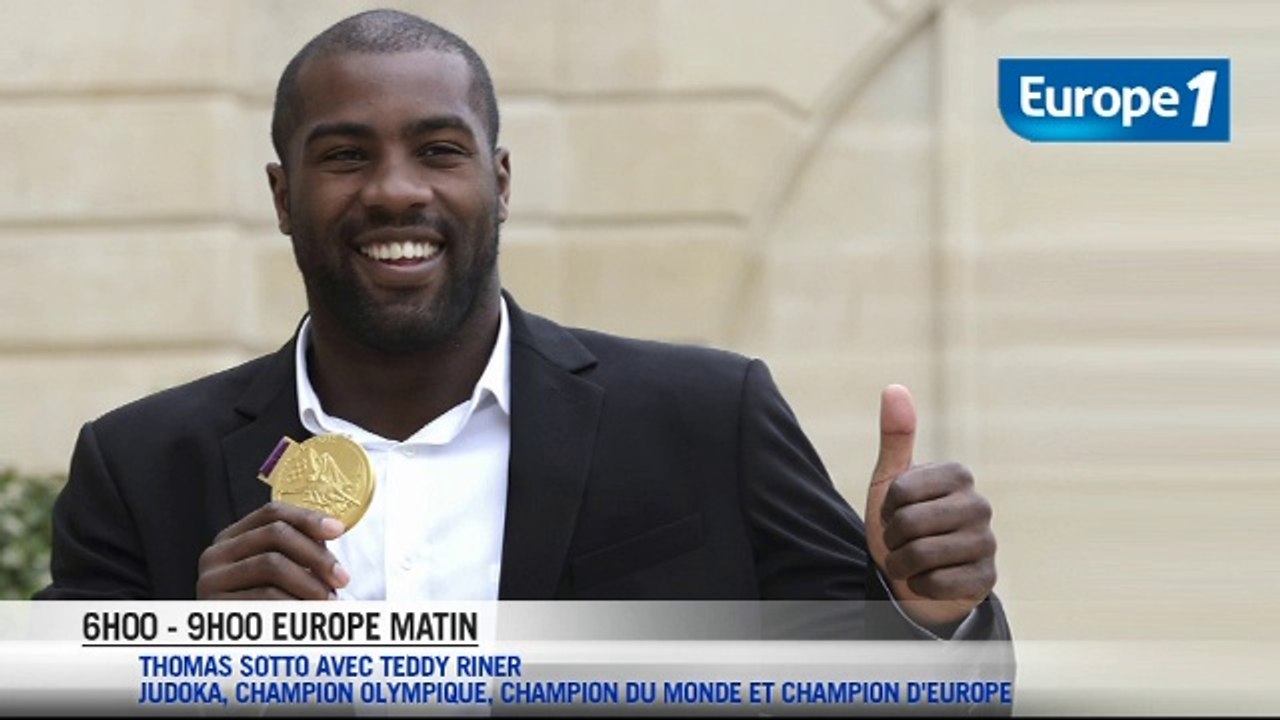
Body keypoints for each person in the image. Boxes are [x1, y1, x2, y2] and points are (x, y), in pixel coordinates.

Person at [36, 8, 1009, 644]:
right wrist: (197, 664)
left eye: (438, 149)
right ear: (284, 196)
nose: (395, 191)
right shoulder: (137, 466)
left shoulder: (706, 419)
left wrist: (927, 618)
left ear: (498, 183)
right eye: (344, 156)